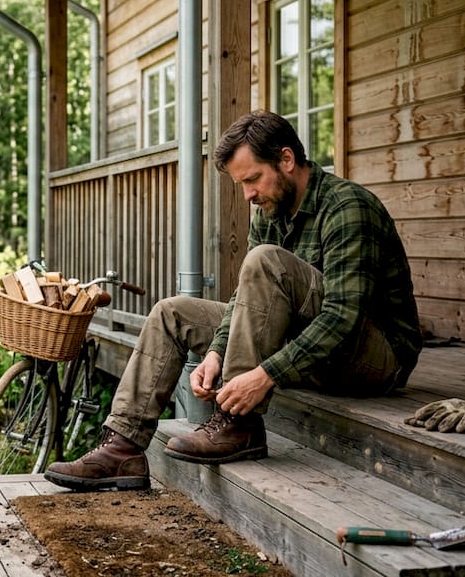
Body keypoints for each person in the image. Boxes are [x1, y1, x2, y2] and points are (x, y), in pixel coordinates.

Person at [45, 109, 423, 491]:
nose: (248, 195)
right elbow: (247, 298)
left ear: (287, 160)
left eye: (253, 179)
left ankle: (238, 423)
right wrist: (216, 351)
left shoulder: (347, 207)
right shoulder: (270, 212)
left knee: (264, 260)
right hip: (310, 348)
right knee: (171, 313)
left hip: (375, 360)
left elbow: (343, 319)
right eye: (242, 184)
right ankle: (122, 450)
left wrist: (263, 377)